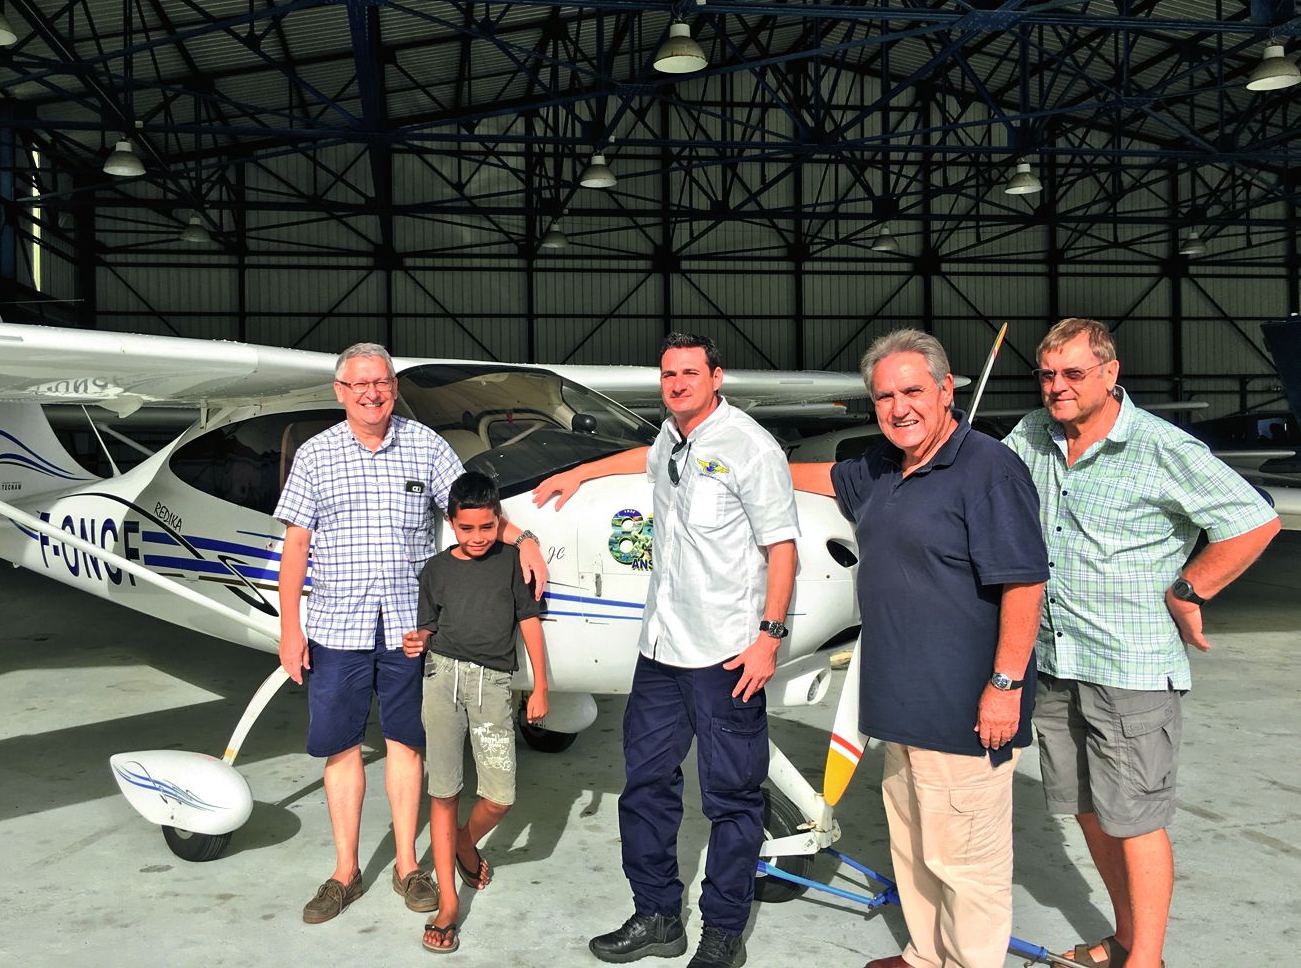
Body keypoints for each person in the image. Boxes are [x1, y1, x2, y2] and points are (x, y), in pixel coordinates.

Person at [1002, 319, 1280, 968]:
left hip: (1129, 666)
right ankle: (1126, 939)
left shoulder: (1161, 446)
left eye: (1073, 373)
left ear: (1109, 373)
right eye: (1047, 374)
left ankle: (1146, 960)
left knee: (1135, 818)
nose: (1057, 386)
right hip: (1056, 657)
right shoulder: (1032, 434)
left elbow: (1253, 520)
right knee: (1087, 810)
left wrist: (1190, 588)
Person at [532, 332, 799, 968]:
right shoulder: (670, 438)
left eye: (689, 373)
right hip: (660, 650)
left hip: (725, 653)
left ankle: (723, 933)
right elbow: (643, 458)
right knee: (646, 786)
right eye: (668, 375)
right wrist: (580, 472)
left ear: (716, 377)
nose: (677, 384)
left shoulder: (750, 447)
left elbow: (782, 547)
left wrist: (769, 638)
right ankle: (656, 916)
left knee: (732, 799)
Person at [790, 329, 1049, 968]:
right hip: (899, 706)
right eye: (884, 396)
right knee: (914, 845)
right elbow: (794, 475)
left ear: (945, 389)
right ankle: (926, 954)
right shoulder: (880, 467)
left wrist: (1005, 686)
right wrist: (700, 460)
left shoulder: (989, 469)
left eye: (912, 391)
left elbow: (1024, 583)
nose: (899, 407)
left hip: (964, 710)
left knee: (966, 862)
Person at [274, 342, 547, 925]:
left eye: (382, 382)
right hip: (337, 625)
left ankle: (406, 867)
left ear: (394, 388)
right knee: (341, 747)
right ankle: (344, 873)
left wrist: (524, 540)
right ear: (340, 392)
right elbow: (296, 546)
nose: (372, 393)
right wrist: (289, 629)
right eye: (360, 384)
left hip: (410, 628)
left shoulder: (426, 446)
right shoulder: (315, 456)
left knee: (406, 743)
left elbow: (474, 508)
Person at [401, 470, 550, 954]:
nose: (478, 537)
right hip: (441, 678)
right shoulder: (435, 570)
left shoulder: (511, 562)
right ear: (451, 522)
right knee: (444, 790)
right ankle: (448, 905)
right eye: (466, 528)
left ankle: (464, 842)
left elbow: (529, 621)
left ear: (498, 519)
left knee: (501, 796)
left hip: (493, 685)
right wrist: (417, 640)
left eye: (487, 526)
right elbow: (428, 627)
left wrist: (541, 686)